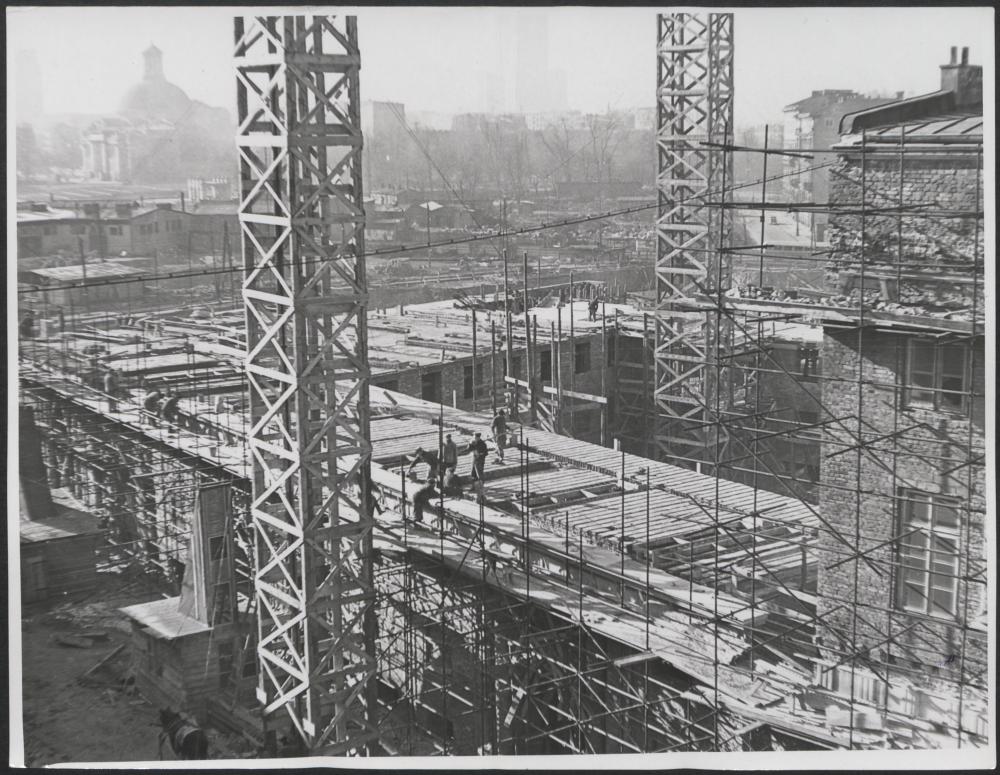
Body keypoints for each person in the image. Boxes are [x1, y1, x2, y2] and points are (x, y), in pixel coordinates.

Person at [465, 432, 489, 504]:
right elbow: (468, 449)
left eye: (476, 437)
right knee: (473, 474)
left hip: (480, 461)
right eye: (474, 437)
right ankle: (473, 486)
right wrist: (470, 444)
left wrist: (480, 454)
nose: (475, 438)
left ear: (479, 437)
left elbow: (486, 453)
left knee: (479, 474)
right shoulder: (473, 442)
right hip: (474, 460)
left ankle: (481, 487)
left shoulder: (483, 444)